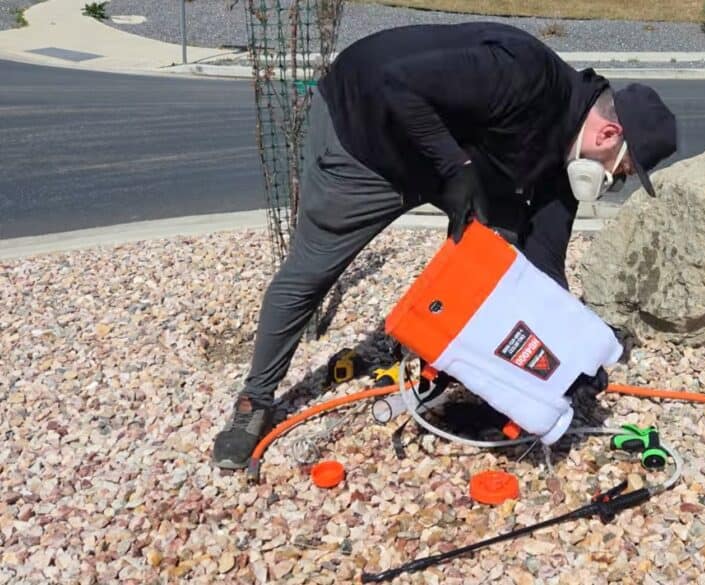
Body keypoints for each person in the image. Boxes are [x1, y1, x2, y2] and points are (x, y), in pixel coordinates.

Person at [212, 22, 678, 470]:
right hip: (366, 133)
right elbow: (389, 82)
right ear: (608, 135)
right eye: (621, 173)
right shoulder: (521, 74)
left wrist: (565, 362)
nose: (614, 183)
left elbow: (541, 268)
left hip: (450, 154)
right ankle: (255, 399)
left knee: (504, 245)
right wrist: (454, 168)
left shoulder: (563, 161)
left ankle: (457, 358)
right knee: (311, 272)